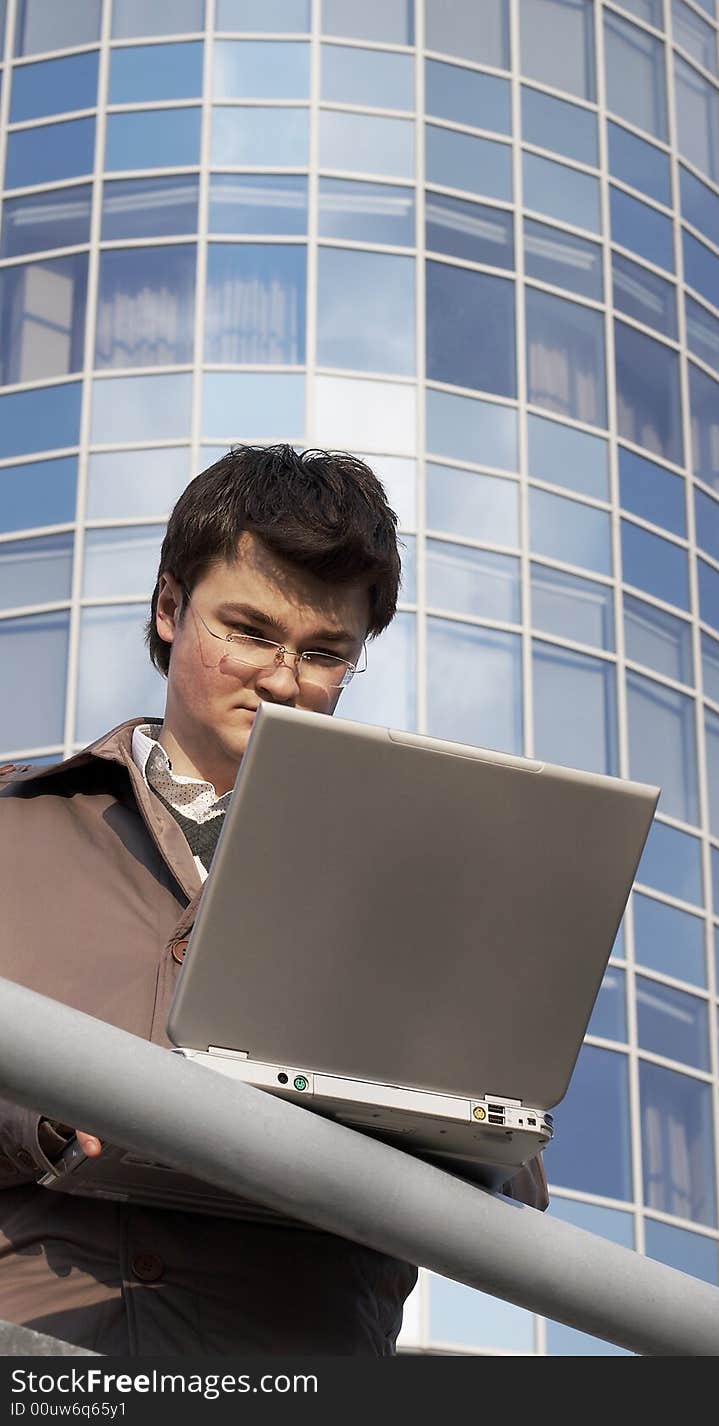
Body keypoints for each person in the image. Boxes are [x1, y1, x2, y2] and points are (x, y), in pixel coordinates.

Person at [0, 445, 548, 1356]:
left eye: (325, 652)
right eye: (249, 632)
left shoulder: (419, 893)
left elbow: (514, 1182)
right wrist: (46, 1108)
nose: (286, 681)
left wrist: (436, 1121)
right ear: (170, 609)